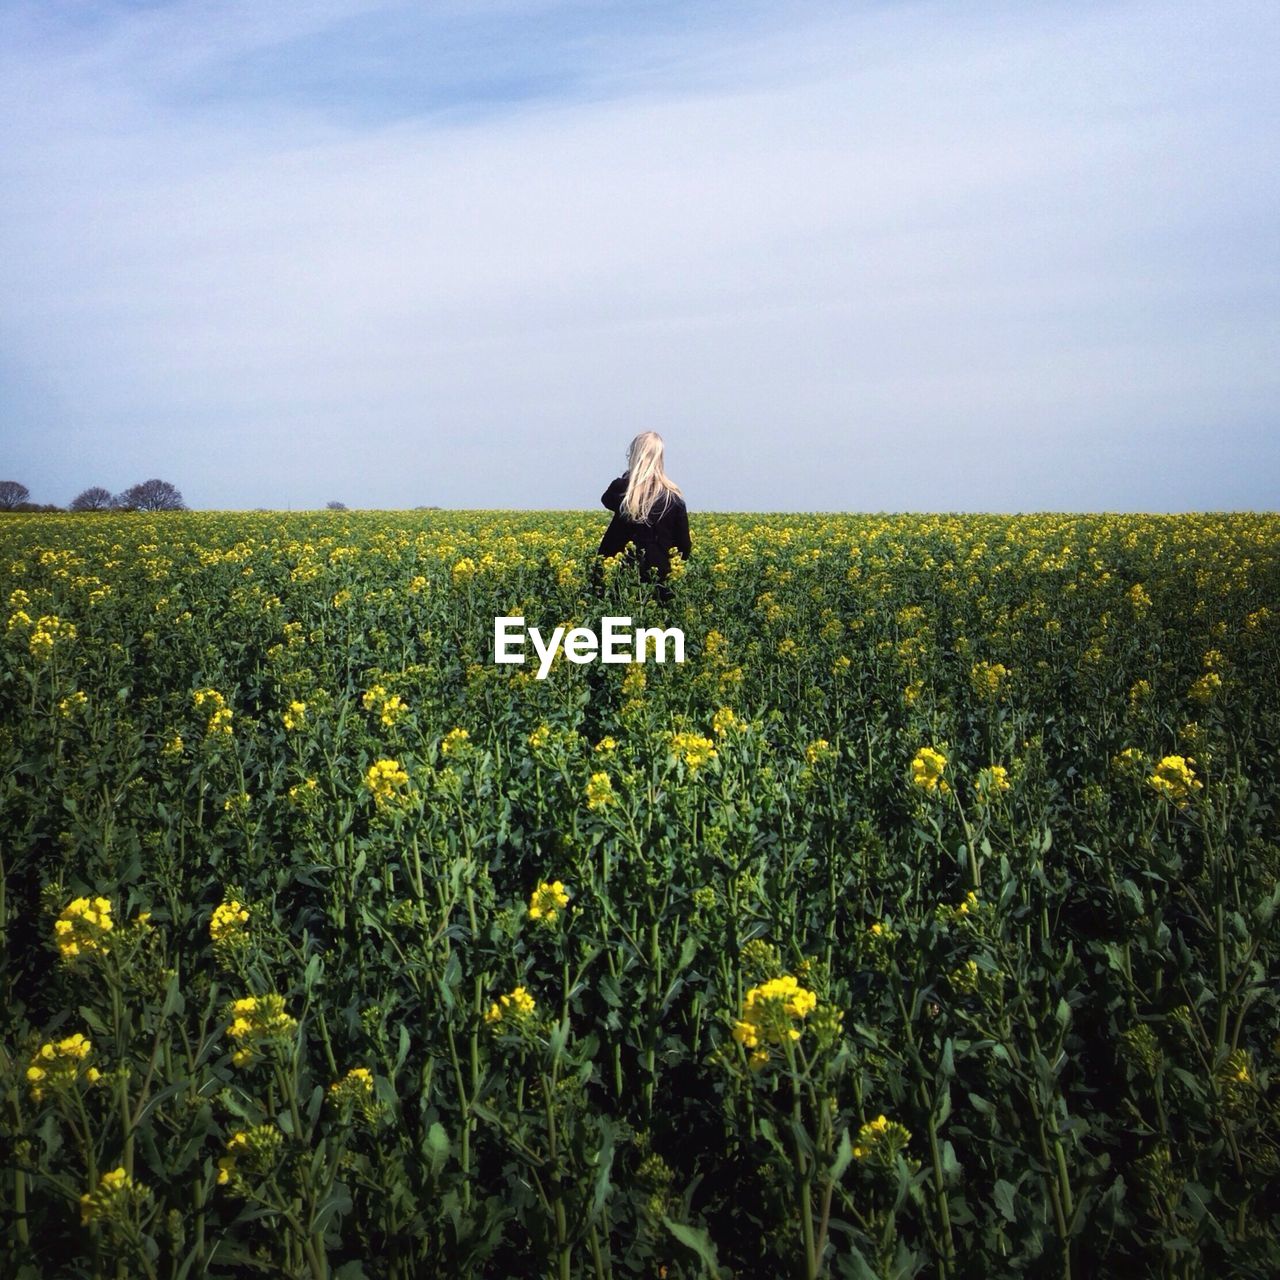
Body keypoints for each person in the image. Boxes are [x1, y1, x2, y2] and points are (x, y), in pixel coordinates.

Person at [595, 432, 691, 597]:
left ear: (634, 456)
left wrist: (630, 475)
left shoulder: (622, 491)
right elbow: (684, 547)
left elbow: (606, 499)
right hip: (660, 580)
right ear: (660, 459)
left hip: (619, 577)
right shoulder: (673, 498)